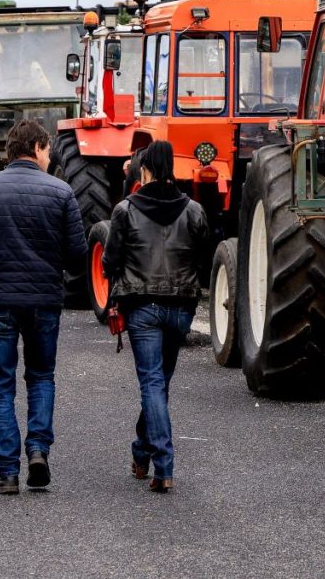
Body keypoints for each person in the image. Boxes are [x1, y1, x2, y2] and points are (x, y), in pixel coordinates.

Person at [0, 119, 86, 494]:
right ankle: (38, 451)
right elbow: (78, 257)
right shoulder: (61, 192)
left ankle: (8, 473)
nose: (49, 157)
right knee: (41, 376)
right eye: (47, 150)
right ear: (36, 148)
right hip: (44, 300)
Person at [102, 141, 209, 493]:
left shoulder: (125, 210)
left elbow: (111, 262)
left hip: (142, 309)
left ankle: (163, 466)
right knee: (159, 384)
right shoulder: (193, 210)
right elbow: (203, 261)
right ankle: (140, 452)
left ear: (145, 170)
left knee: (152, 385)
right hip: (180, 309)